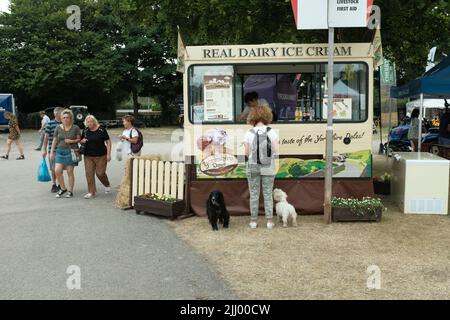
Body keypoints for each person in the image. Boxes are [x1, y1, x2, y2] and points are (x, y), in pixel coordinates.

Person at [243, 105, 279, 229]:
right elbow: (275, 150)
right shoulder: (272, 131)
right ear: (267, 116)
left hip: (253, 166)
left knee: (254, 194)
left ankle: (253, 221)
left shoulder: (249, 132)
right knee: (268, 193)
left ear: (252, 116)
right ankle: (269, 221)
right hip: (268, 166)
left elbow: (246, 153)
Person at [50, 109, 81, 198]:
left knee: (69, 172)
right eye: (64, 117)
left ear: (71, 118)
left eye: (67, 117)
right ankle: (63, 188)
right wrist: (52, 152)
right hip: (60, 151)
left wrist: (72, 140)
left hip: (71, 151)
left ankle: (70, 191)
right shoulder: (58, 127)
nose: (66, 119)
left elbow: (79, 139)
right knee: (57, 171)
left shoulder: (75, 127)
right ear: (61, 118)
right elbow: (55, 140)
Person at [80, 115, 112, 199]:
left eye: (91, 121)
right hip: (88, 155)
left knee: (100, 173)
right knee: (89, 173)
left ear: (94, 121)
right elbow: (81, 140)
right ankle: (91, 191)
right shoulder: (85, 130)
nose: (89, 123)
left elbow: (108, 142)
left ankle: (107, 184)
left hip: (101, 155)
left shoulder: (101, 129)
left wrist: (108, 154)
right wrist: (82, 141)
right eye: (87, 122)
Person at [42, 107, 64, 193]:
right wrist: (44, 149)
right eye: (62, 113)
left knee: (60, 169)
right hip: (53, 150)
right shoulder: (50, 124)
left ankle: (60, 184)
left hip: (63, 150)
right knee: (53, 169)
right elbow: (46, 137)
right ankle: (54, 184)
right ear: (57, 114)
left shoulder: (65, 123)